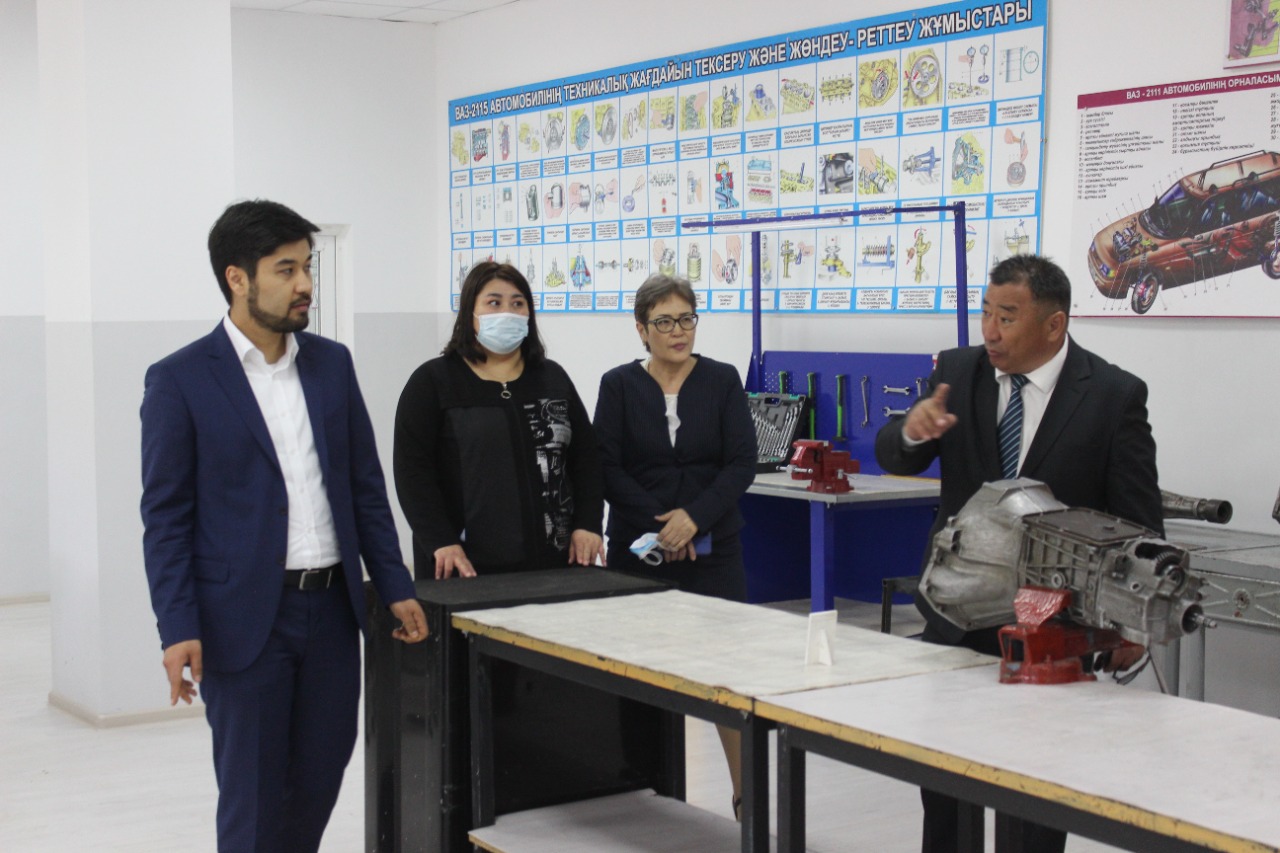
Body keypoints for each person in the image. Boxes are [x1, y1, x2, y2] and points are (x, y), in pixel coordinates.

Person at [140, 199, 428, 853]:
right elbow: (166, 519)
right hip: (244, 622)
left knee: (320, 777)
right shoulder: (180, 380)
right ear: (237, 278)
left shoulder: (331, 364)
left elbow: (364, 487)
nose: (305, 285)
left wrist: (394, 582)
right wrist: (177, 626)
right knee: (253, 796)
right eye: (286, 269)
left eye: (307, 267)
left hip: (332, 614)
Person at [874, 253, 1162, 853]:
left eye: (1007, 317)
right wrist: (910, 431)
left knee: (1037, 792)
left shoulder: (1113, 395)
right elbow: (896, 454)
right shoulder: (958, 371)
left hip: (1053, 626)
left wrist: (1132, 620)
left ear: (1054, 325)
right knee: (945, 784)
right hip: (955, 613)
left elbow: (1138, 520)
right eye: (986, 313)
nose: (990, 331)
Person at [593, 273, 757, 816]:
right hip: (639, 550)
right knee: (639, 672)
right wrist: (664, 528)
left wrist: (695, 519)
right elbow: (606, 467)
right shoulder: (618, 385)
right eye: (664, 322)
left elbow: (741, 463)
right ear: (641, 329)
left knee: (727, 675)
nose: (678, 331)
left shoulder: (722, 379)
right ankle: (643, 793)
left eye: (686, 318)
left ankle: (746, 798)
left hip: (715, 551)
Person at [394, 261, 604, 579]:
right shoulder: (433, 381)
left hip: (555, 560)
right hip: (463, 564)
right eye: (494, 302)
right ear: (470, 313)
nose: (508, 312)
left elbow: (585, 459)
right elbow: (412, 472)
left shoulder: (552, 377)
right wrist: (439, 540)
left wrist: (588, 524)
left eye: (518, 303)